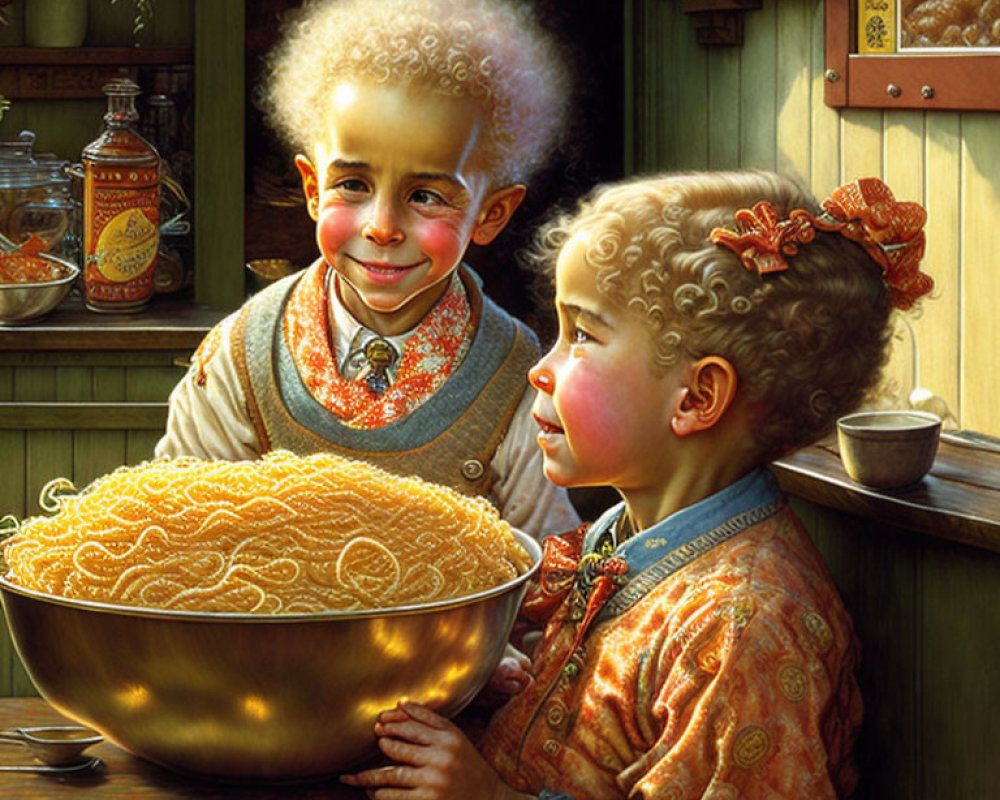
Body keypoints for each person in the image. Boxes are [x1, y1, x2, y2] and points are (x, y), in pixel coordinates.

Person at [340, 169, 934, 799]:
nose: (542, 369)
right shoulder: (622, 537)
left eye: (583, 336)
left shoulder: (744, 627)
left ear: (698, 397)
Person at [155, 0, 580, 538]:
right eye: (352, 185)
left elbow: (542, 574)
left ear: (491, 214)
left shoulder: (517, 379)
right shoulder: (241, 357)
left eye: (425, 195)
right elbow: (179, 530)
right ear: (312, 190)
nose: (382, 227)